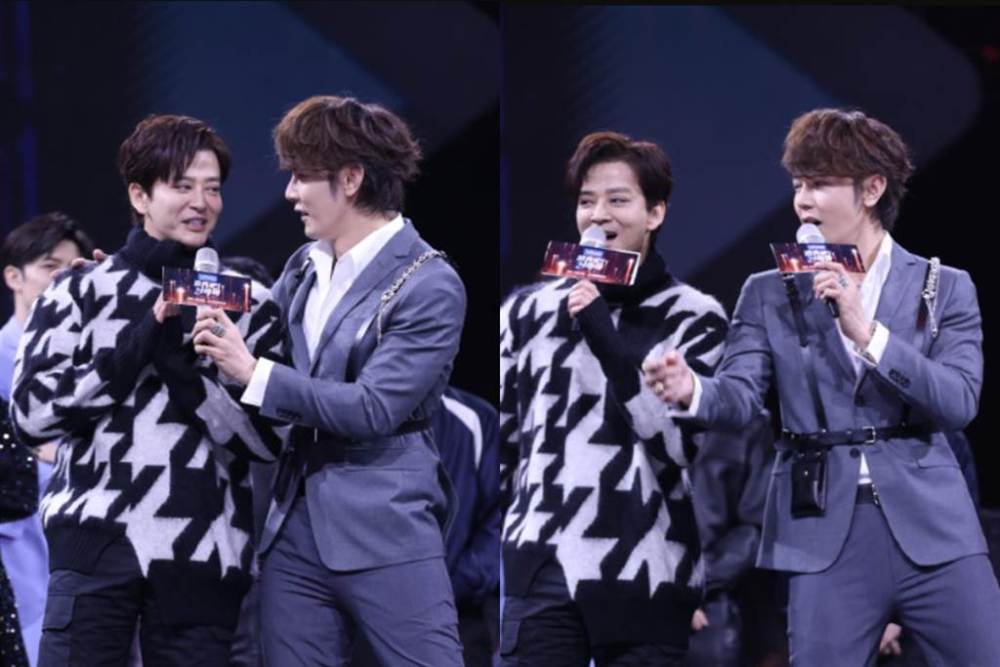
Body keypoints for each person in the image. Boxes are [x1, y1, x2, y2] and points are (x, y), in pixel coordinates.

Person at [643, 107, 1000, 665]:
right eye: (798, 185)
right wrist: (693, 390)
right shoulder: (768, 292)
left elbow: (958, 401)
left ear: (872, 189)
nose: (803, 202)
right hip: (823, 534)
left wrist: (868, 333)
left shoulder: (944, 287)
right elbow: (739, 396)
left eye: (820, 185)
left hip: (935, 530)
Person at [195, 94, 467, 666]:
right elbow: (252, 325)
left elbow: (373, 408)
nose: (289, 193)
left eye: (300, 176)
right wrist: (126, 278)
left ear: (350, 178)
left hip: (386, 524)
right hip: (292, 528)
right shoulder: (303, 265)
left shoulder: (429, 283)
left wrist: (254, 372)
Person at [10, 114, 283, 666]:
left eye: (212, 188)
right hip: (93, 541)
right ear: (140, 195)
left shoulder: (249, 301)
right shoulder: (78, 290)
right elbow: (33, 416)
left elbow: (268, 439)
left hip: (203, 547)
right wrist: (140, 342)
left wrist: (184, 370)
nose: (200, 203)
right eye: (182, 186)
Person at [499, 131, 729, 665]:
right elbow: (506, 443)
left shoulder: (695, 318)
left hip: (645, 565)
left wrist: (606, 338)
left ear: (655, 213)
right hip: (542, 564)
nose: (598, 214)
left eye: (617, 199)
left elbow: (679, 446)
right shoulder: (527, 313)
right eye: (587, 201)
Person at [0, 212, 94, 667]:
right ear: (13, 277)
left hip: (87, 536)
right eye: (49, 266)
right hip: (19, 542)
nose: (61, 279)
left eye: (72, 269)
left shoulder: (97, 357)